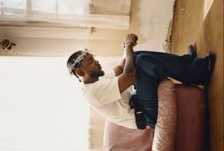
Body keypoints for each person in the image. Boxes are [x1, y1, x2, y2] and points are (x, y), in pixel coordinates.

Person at [67, 34, 215, 129]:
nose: (97, 61)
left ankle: (188, 64)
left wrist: (126, 46)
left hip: (141, 102)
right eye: (91, 61)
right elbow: (130, 75)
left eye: (94, 58)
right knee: (140, 61)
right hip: (147, 114)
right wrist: (130, 47)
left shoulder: (95, 80)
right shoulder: (94, 92)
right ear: (81, 72)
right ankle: (199, 72)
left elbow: (120, 67)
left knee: (135, 57)